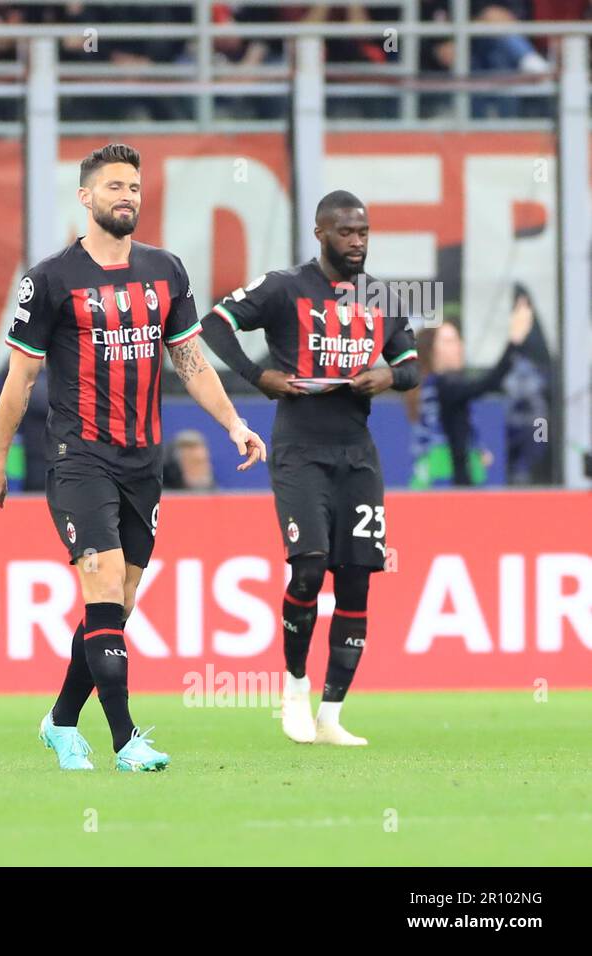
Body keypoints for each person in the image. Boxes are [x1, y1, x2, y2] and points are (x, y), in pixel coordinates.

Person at [0, 143, 266, 772]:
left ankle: (59, 721)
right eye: (112, 187)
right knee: (102, 583)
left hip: (143, 462)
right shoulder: (49, 280)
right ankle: (127, 740)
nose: (126, 195)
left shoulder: (165, 271)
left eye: (133, 185)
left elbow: (189, 361)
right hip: (80, 457)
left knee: (117, 605)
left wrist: (235, 423)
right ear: (85, 198)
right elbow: (19, 381)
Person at [200, 189, 420, 747]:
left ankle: (332, 714)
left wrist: (389, 377)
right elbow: (215, 322)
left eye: (364, 232)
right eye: (346, 233)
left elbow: (412, 364)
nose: (357, 242)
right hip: (300, 450)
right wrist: (259, 377)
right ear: (321, 234)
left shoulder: (383, 297)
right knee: (308, 567)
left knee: (356, 581)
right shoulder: (284, 287)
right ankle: (294, 689)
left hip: (358, 454)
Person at [411, 294, 534, 487]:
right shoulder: (444, 385)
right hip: (445, 482)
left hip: (446, 476)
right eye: (449, 341)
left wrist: (477, 448)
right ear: (432, 352)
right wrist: (514, 340)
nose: (459, 346)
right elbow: (490, 382)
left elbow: (455, 425)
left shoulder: (437, 386)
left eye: (458, 339)